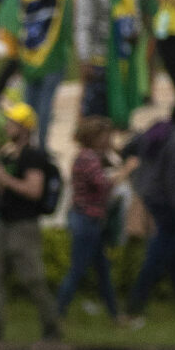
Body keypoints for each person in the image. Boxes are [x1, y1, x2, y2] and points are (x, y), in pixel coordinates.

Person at [0, 102, 61, 341]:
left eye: (12, 123)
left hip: (24, 224)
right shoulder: (6, 154)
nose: (7, 126)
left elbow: (34, 190)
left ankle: (51, 325)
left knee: (32, 277)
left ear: (24, 128)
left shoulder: (32, 156)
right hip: (4, 222)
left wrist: (6, 179)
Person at [125, 101, 175, 321]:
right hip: (166, 200)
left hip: (149, 192)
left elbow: (129, 147)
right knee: (158, 250)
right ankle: (136, 300)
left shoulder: (160, 130)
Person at [55, 117, 123, 323]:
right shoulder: (89, 158)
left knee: (102, 271)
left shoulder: (86, 157)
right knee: (78, 270)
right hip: (87, 220)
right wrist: (126, 170)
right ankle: (57, 313)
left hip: (89, 219)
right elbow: (103, 185)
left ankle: (115, 314)